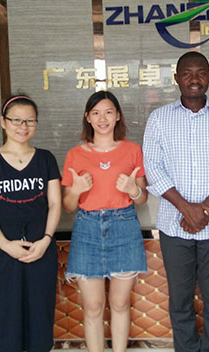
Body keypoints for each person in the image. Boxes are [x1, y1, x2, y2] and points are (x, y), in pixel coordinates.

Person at [143, 51, 209, 352]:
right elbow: (153, 168)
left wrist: (203, 210)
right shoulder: (159, 119)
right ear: (176, 78)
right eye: (187, 73)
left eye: (200, 73)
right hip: (174, 225)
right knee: (180, 299)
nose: (194, 79)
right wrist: (186, 209)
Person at [0, 95, 62, 352]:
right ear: (3, 122)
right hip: (3, 254)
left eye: (30, 121)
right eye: (16, 120)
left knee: (40, 320)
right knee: (8, 321)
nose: (23, 127)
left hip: (41, 251)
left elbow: (55, 203)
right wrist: (4, 244)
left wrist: (46, 240)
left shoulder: (45, 159)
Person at [61, 90, 148, 352]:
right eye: (96, 113)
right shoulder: (75, 154)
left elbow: (142, 198)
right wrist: (76, 191)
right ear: (87, 117)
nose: (102, 119)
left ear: (117, 115)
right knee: (93, 306)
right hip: (87, 227)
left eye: (108, 112)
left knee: (120, 304)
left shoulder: (132, 150)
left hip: (124, 225)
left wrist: (132, 190)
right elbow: (68, 206)